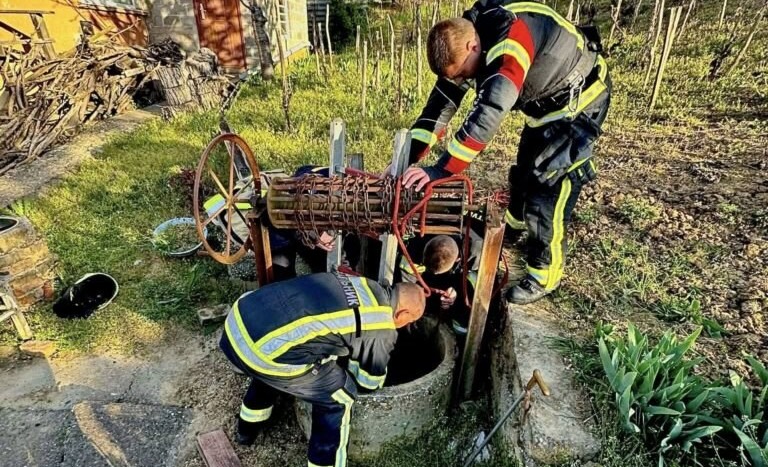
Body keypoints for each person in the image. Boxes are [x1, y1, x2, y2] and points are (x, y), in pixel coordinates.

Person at [400, 0, 611, 304]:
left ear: (474, 46)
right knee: (524, 173)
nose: (462, 82)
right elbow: (437, 110)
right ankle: (511, 230)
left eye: (463, 74)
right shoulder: (461, 40)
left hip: (579, 104)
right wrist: (408, 160)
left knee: (546, 188)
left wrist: (442, 170)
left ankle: (544, 274)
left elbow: (490, 110)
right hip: (545, 107)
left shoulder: (511, 42)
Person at [219, 272, 426, 467]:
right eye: (411, 321)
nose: (407, 326)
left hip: (239, 319)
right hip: (259, 352)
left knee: (286, 354)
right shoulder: (381, 325)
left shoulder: (362, 283)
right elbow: (369, 382)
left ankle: (247, 429)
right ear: (404, 313)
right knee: (340, 395)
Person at [397, 235, 477, 336]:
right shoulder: (412, 256)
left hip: (461, 283)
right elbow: (407, 290)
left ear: (457, 259)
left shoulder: (477, 253)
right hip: (426, 282)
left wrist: (456, 293)